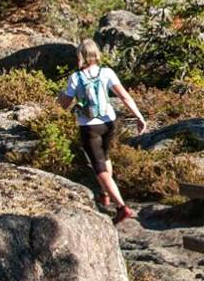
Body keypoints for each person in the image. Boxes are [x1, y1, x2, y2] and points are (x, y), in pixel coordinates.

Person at [58, 41, 147, 222]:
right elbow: (124, 96)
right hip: (109, 122)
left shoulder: (76, 77)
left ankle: (121, 207)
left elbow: (64, 105)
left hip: (89, 126)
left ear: (80, 56)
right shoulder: (107, 72)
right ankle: (105, 194)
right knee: (105, 157)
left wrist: (61, 96)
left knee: (99, 168)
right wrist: (139, 117)